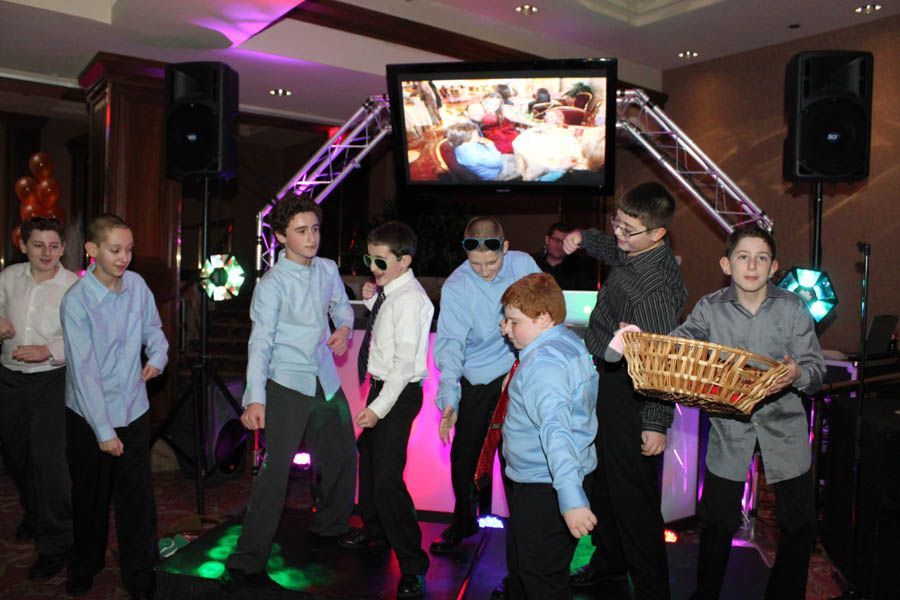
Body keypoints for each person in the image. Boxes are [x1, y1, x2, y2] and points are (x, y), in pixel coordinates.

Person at [668, 225, 824, 599]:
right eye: (743, 257)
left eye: (761, 258)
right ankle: (706, 594)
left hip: (784, 430)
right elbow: (680, 344)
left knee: (799, 525)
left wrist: (796, 373)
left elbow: (815, 371)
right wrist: (643, 339)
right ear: (727, 263)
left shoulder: (792, 308)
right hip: (729, 431)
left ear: (774, 267)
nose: (752, 265)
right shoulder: (709, 307)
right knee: (717, 524)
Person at [222, 197, 357, 591]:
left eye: (315, 229)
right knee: (274, 472)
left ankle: (330, 527)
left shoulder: (328, 269)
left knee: (343, 453)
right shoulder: (271, 285)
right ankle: (247, 559)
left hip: (324, 378)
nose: (311, 237)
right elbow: (259, 343)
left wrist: (344, 329)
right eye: (301, 231)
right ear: (281, 236)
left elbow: (342, 308)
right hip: (285, 382)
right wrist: (255, 398)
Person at [562, 181, 687, 598]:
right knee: (605, 486)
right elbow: (618, 251)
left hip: (630, 391)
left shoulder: (654, 288)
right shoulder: (638, 251)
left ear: (657, 234)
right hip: (610, 378)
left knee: (633, 500)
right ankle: (610, 564)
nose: (620, 233)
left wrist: (654, 422)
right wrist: (588, 239)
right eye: (617, 222)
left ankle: (652, 589)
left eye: (628, 228)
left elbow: (659, 362)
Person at [61, 214, 169, 598]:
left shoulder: (137, 286)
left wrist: (158, 354)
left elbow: (153, 330)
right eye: (115, 250)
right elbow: (83, 374)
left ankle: (140, 572)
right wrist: (104, 432)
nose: (125, 257)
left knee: (137, 498)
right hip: (90, 417)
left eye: (129, 249)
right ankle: (85, 564)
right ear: (92, 250)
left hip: (134, 409)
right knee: (90, 497)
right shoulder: (76, 301)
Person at [432, 217, 540, 554]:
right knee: (464, 459)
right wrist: (449, 396)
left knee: (519, 459)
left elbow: (546, 311)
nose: (483, 270)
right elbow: (450, 344)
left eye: (491, 262)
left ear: (504, 248)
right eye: (475, 263)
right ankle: (464, 522)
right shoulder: (457, 285)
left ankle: (524, 538)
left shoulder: (523, 265)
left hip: (518, 373)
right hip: (478, 377)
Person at [337, 221, 434, 599]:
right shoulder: (393, 292)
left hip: (397, 392)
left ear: (403, 260)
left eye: (379, 262)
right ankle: (375, 530)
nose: (372, 268)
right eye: (369, 259)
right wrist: (372, 300)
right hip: (382, 389)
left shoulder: (410, 301)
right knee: (371, 463)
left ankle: (413, 564)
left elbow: (402, 367)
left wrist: (377, 409)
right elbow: (385, 326)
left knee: (388, 480)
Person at [499, 273, 599, 599]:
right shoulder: (566, 341)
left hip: (545, 487)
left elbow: (557, 432)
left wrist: (570, 499)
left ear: (543, 319)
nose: (506, 329)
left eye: (514, 321)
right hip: (556, 480)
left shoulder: (543, 365)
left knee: (542, 580)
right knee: (527, 569)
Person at [0, 216, 77, 580]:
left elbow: (82, 338)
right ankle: (35, 512)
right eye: (38, 245)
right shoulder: (8, 278)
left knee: (49, 463)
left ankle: (57, 543)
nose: (46, 252)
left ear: (63, 248)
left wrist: (48, 350)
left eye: (54, 246)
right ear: (23, 246)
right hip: (9, 380)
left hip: (53, 381)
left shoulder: (75, 287)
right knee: (17, 456)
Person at [446, 121, 519, 181]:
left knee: (517, 157)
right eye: (475, 134)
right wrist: (491, 145)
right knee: (524, 166)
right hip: (497, 173)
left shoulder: (462, 146)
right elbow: (498, 163)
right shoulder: (473, 154)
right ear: (466, 138)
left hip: (492, 161)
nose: (478, 135)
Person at [533, 222, 596, 291]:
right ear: (547, 240)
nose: (560, 245)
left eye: (564, 242)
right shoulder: (533, 263)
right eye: (556, 240)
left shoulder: (578, 268)